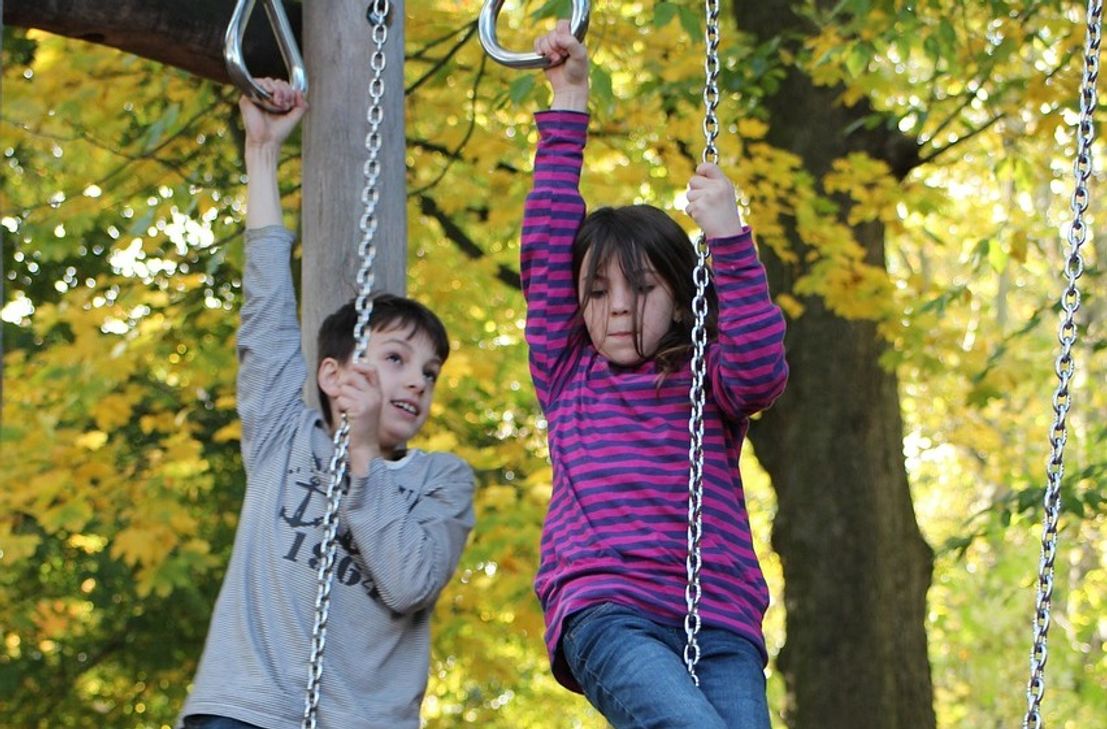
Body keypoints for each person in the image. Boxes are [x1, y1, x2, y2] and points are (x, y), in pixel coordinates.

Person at [178, 79, 476, 729]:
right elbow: (265, 310)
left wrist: (363, 455)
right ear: (334, 375)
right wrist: (262, 154)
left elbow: (410, 583)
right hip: (245, 710)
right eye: (395, 359)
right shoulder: (284, 433)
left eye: (429, 372)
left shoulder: (441, 480)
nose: (417, 381)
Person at [522, 22, 789, 729]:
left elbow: (762, 368)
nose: (617, 307)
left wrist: (727, 236)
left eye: (640, 288)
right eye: (596, 291)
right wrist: (568, 98)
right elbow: (547, 235)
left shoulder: (708, 378)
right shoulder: (568, 370)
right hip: (610, 609)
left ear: (679, 297)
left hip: (720, 619)